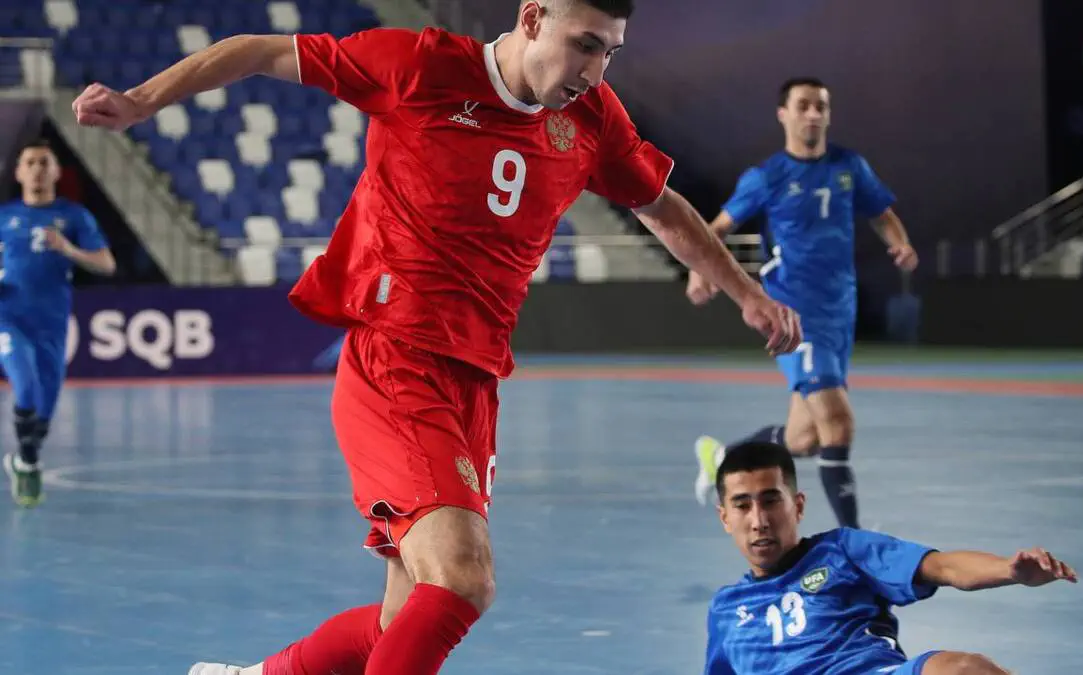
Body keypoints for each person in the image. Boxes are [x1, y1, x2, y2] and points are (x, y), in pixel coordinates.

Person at [72, 1, 801, 674]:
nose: (594, 69)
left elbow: (661, 206)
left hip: (474, 379)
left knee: (403, 618)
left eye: (610, 52)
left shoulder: (593, 117)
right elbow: (259, 50)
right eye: (584, 45)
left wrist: (747, 295)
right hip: (396, 359)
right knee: (462, 578)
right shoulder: (421, 66)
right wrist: (142, 100)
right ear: (532, 18)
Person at [687, 77, 918, 529]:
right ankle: (854, 544)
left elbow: (882, 214)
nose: (813, 114)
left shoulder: (850, 167)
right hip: (792, 311)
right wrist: (700, 270)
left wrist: (900, 243)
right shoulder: (767, 176)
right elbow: (715, 230)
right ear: (784, 115)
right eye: (803, 106)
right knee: (837, 422)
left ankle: (723, 457)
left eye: (821, 106)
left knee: (804, 438)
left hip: (839, 310)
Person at [705, 441, 1078, 675]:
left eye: (771, 501)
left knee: (963, 670)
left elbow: (943, 566)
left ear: (797, 506)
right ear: (725, 518)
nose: (759, 521)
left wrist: (1008, 570)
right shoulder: (726, 610)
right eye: (742, 506)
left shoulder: (842, 551)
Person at [1, 139, 116, 507]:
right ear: (19, 172)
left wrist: (68, 249)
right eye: (30, 162)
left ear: (55, 172)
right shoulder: (4, 218)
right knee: (25, 386)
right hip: (8, 318)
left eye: (43, 162)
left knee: (44, 411)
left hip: (51, 323)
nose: (37, 169)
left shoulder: (74, 217)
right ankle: (28, 461)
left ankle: (25, 461)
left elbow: (106, 264)